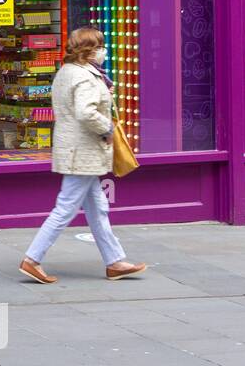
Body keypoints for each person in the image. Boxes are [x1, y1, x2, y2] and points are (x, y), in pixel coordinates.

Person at [19, 26, 148, 285]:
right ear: (88, 51)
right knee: (65, 208)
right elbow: (86, 112)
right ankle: (32, 259)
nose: (103, 50)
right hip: (83, 152)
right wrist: (108, 127)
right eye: (99, 46)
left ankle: (115, 262)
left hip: (75, 150)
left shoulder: (66, 73)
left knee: (98, 208)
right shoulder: (86, 78)